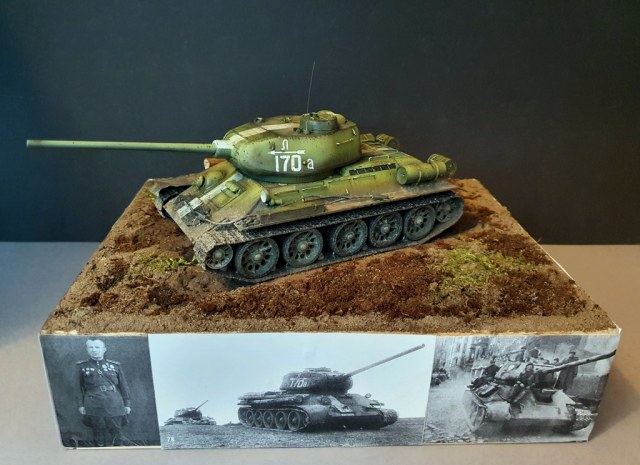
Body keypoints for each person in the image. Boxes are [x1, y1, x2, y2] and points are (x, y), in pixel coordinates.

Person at [75, 339, 131, 446]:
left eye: (97, 347)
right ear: (87, 349)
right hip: (94, 403)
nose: (94, 350)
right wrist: (81, 405)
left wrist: (127, 403)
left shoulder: (115, 366)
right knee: (98, 433)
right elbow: (78, 387)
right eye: (91, 347)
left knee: (117, 433)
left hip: (114, 402)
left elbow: (123, 386)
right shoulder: (81, 366)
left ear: (104, 349)